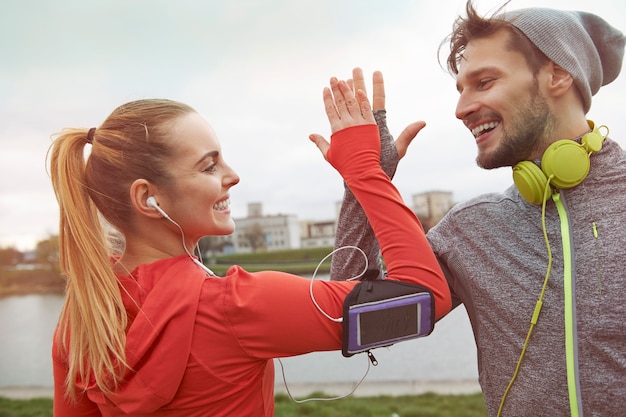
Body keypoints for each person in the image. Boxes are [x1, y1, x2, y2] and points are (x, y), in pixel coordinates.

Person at [48, 75, 452, 416]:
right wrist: (365, 173)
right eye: (210, 165)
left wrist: (358, 189)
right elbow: (423, 299)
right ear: (148, 198)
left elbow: (344, 296)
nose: (233, 175)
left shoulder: (83, 317)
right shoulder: (238, 306)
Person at [324, 2, 626, 416]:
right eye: (461, 89)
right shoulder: (473, 228)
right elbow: (355, 320)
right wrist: (364, 180)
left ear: (557, 74)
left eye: (483, 82)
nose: (461, 108)